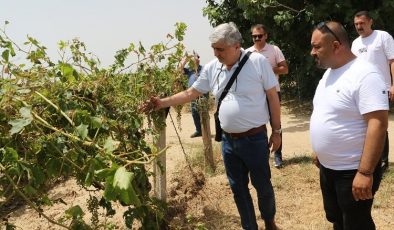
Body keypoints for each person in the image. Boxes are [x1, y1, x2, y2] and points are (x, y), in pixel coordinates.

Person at [141, 22, 281, 230]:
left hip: (254, 139)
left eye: (220, 49)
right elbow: (191, 93)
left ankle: (269, 221)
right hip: (229, 143)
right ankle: (249, 227)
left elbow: (272, 96)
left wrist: (277, 131)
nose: (216, 53)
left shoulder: (258, 62)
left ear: (236, 46)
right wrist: (162, 102)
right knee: (238, 190)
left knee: (263, 186)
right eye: (214, 48)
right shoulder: (212, 67)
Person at [310, 21, 389, 229]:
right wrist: (321, 150)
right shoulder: (329, 73)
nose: (312, 52)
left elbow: (378, 124)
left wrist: (364, 173)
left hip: (353, 171)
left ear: (336, 46)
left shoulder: (366, 74)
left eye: (317, 46)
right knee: (336, 218)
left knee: (356, 223)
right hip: (329, 169)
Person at [351, 10, 394, 172]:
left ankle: (383, 162)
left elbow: (392, 61)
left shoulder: (383, 37)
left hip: (381, 88)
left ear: (370, 22)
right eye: (356, 24)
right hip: (361, 91)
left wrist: (393, 84)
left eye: (362, 23)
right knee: (364, 125)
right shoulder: (355, 43)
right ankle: (369, 159)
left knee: (379, 124)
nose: (359, 27)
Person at [246, 24, 288, 168]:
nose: (257, 38)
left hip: (273, 93)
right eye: (254, 36)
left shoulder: (274, 49)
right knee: (257, 125)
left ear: (266, 36)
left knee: (276, 125)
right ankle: (262, 155)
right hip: (255, 95)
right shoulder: (247, 52)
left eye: (260, 35)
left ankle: (278, 156)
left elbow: (285, 69)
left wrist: (269, 69)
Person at [179, 53, 204, 138]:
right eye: (192, 58)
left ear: (198, 59)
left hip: (202, 94)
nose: (194, 59)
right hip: (192, 94)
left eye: (195, 57)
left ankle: (205, 131)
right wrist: (186, 58)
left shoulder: (203, 69)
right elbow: (179, 68)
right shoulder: (189, 70)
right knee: (194, 112)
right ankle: (199, 130)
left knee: (203, 112)